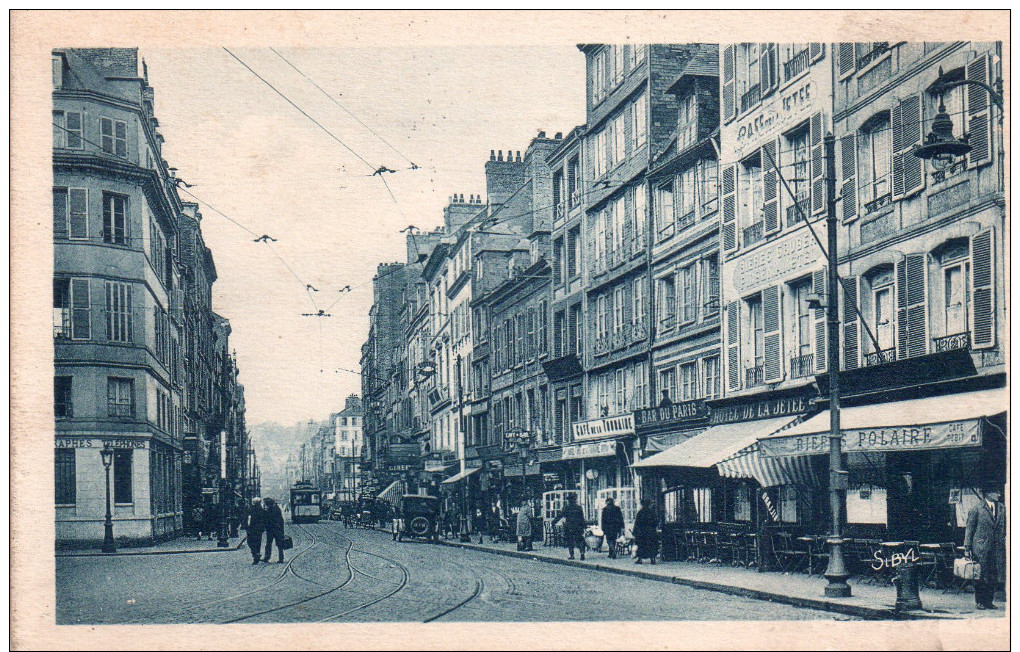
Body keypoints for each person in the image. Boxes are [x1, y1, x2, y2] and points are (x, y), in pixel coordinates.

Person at [965, 485, 1006, 609]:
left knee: (994, 575)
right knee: (981, 576)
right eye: (996, 492)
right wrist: (967, 548)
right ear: (988, 493)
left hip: (997, 548)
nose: (999, 494)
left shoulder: (1002, 508)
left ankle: (989, 602)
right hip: (981, 548)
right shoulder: (976, 509)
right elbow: (969, 530)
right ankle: (980, 602)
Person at [559, 494, 586, 561]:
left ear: (569, 501)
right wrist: (584, 526)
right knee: (580, 540)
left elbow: (561, 515)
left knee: (570, 541)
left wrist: (554, 522)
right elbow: (582, 518)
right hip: (578, 526)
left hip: (569, 527)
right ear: (575, 500)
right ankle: (582, 553)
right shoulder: (579, 507)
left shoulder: (566, 508)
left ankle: (572, 555)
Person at [633, 498, 659, 565]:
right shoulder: (652, 512)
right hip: (651, 532)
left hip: (642, 533)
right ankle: (652, 559)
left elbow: (637, 523)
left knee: (641, 546)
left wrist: (635, 531)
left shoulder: (640, 513)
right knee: (651, 546)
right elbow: (656, 522)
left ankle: (640, 559)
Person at [262, 497, 286, 563]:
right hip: (276, 529)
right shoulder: (276, 508)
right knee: (278, 544)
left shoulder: (271, 510)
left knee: (269, 544)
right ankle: (281, 558)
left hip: (273, 529)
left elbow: (267, 519)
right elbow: (281, 520)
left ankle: (267, 557)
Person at [246, 497, 266, 565]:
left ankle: (255, 554)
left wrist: (247, 527)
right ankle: (256, 555)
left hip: (252, 529)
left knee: (250, 542)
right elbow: (264, 520)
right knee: (258, 543)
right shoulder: (262, 510)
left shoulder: (251, 509)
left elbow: (248, 519)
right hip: (259, 530)